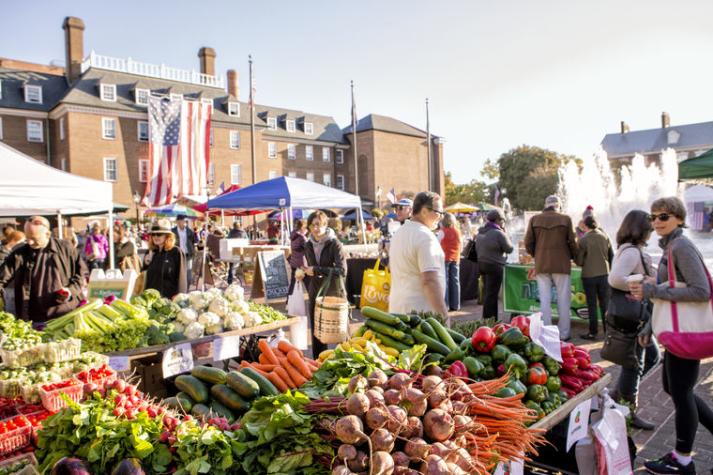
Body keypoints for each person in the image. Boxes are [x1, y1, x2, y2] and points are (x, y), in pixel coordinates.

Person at [629, 197, 713, 475]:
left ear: (678, 217)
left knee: (681, 391)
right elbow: (672, 288)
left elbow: (701, 291)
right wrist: (649, 326)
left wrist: (654, 291)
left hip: (686, 333)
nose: (656, 222)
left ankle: (682, 460)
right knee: (674, 388)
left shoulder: (682, 247)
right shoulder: (671, 247)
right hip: (676, 332)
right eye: (653, 217)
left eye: (663, 216)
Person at [606, 210, 659, 431]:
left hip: (632, 315)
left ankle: (618, 395)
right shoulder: (632, 252)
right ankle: (626, 410)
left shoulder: (629, 250)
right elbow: (615, 278)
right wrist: (642, 281)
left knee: (649, 358)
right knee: (634, 364)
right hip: (634, 316)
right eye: (650, 227)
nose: (653, 231)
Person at [0, 216, 86, 322]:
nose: (30, 242)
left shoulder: (65, 247)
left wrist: (70, 290)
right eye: (27, 238)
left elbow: (82, 273)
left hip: (66, 313)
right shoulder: (19, 254)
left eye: (34, 238)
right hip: (34, 317)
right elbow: (2, 277)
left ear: (47, 234)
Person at [524, 195, 578, 340]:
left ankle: (546, 332)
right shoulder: (565, 219)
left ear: (545, 205)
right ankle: (564, 334)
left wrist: (537, 254)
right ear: (558, 205)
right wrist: (574, 257)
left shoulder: (535, 219)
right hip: (561, 264)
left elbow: (528, 242)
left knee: (545, 300)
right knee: (563, 300)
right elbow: (572, 243)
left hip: (542, 264)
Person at [388, 191, 449, 320]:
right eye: (438, 212)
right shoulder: (425, 237)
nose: (441, 217)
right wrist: (444, 316)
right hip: (420, 317)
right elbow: (429, 280)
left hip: (397, 310)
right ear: (424, 211)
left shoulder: (399, 234)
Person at [302, 211, 347, 356]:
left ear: (325, 224)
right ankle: (319, 363)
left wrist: (316, 270)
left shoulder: (335, 244)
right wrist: (303, 273)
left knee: (340, 331)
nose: (315, 228)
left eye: (318, 224)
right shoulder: (308, 244)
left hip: (334, 292)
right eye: (312, 225)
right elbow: (311, 268)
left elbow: (342, 270)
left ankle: (347, 359)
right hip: (315, 291)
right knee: (318, 330)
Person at [575, 216, 614, 340]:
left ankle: (593, 332)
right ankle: (608, 332)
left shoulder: (583, 240)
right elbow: (611, 256)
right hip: (605, 275)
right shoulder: (605, 236)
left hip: (589, 276)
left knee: (591, 305)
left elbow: (579, 261)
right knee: (605, 304)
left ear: (585, 226)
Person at [476, 209, 514, 320]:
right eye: (502, 220)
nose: (503, 223)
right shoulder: (498, 233)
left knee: (488, 293)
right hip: (494, 266)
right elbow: (510, 249)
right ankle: (491, 320)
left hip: (482, 265)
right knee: (492, 295)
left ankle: (487, 318)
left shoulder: (481, 231)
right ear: (498, 220)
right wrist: (505, 233)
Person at [143, 219, 187, 299]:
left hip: (169, 300)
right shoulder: (150, 252)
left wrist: (180, 298)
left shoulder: (176, 252)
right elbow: (143, 277)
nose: (155, 237)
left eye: (159, 234)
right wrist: (146, 264)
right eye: (153, 234)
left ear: (167, 236)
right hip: (150, 300)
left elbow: (182, 278)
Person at [439, 213, 462, 312]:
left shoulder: (442, 232)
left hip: (445, 257)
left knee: (446, 282)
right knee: (455, 282)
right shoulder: (458, 231)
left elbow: (436, 243)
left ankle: (446, 305)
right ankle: (456, 305)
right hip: (456, 258)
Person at [172, 215, 197, 287]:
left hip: (187, 255)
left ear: (184, 221)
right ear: (176, 222)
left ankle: (187, 288)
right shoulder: (173, 231)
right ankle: (178, 288)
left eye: (181, 221)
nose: (180, 223)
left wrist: (192, 251)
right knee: (178, 272)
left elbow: (192, 242)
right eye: (178, 221)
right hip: (177, 255)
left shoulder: (189, 231)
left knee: (188, 274)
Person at [288, 219, 308, 296]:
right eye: (306, 228)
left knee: (293, 283)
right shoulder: (302, 238)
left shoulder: (293, 235)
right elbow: (308, 250)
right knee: (309, 284)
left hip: (294, 262)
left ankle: (289, 301)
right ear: (303, 227)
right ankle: (313, 302)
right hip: (302, 264)